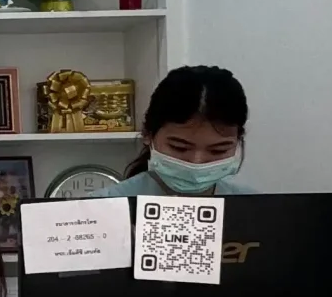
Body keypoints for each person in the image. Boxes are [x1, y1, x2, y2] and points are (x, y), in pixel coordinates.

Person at [106, 63, 257, 197]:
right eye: (179, 148)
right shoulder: (104, 206)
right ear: (148, 135)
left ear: (238, 140)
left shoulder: (256, 208)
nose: (196, 163)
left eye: (218, 151)